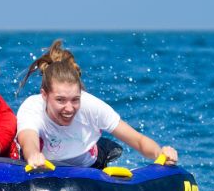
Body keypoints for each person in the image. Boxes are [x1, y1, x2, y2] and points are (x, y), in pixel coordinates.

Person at [16, 39, 178, 170]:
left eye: (75, 99)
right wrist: (33, 155)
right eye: (60, 100)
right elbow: (28, 139)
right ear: (45, 95)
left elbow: (138, 140)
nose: (69, 108)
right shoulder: (32, 108)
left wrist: (160, 152)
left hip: (89, 164)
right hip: (46, 164)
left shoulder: (91, 106)